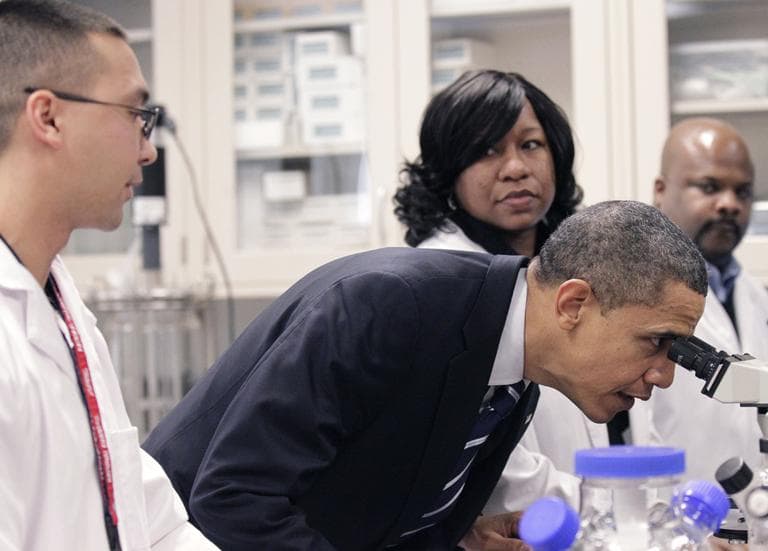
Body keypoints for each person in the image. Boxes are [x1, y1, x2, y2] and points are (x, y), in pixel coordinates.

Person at [144, 200, 708, 550]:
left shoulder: (511, 376)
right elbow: (234, 498)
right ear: (573, 304)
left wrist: (455, 537)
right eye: (657, 342)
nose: (663, 375)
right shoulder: (389, 307)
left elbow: (365, 494)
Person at [0, 1, 217, 550]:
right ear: (47, 117)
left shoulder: (60, 302)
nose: (147, 151)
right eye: (133, 115)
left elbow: (148, 518)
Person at [393, 69, 599, 512]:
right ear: (449, 172)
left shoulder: (571, 267)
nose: (516, 169)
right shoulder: (441, 283)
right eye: (487, 151)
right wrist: (601, 509)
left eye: (531, 144)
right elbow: (475, 458)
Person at [637, 117, 768, 481]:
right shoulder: (632, 299)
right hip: (673, 522)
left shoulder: (755, 296)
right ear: (661, 191)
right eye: (709, 187)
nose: (729, 204)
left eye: (742, 192)